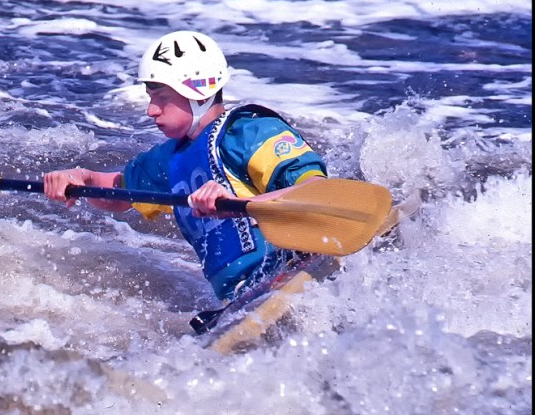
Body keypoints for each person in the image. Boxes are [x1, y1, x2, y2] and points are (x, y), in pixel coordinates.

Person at [44, 31, 328, 303]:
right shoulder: (169, 158)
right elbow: (118, 194)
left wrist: (241, 205)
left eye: (162, 98)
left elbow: (317, 190)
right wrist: (81, 178)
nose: (151, 110)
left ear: (200, 93)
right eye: (150, 97)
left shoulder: (251, 133)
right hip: (240, 297)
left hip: (291, 268)